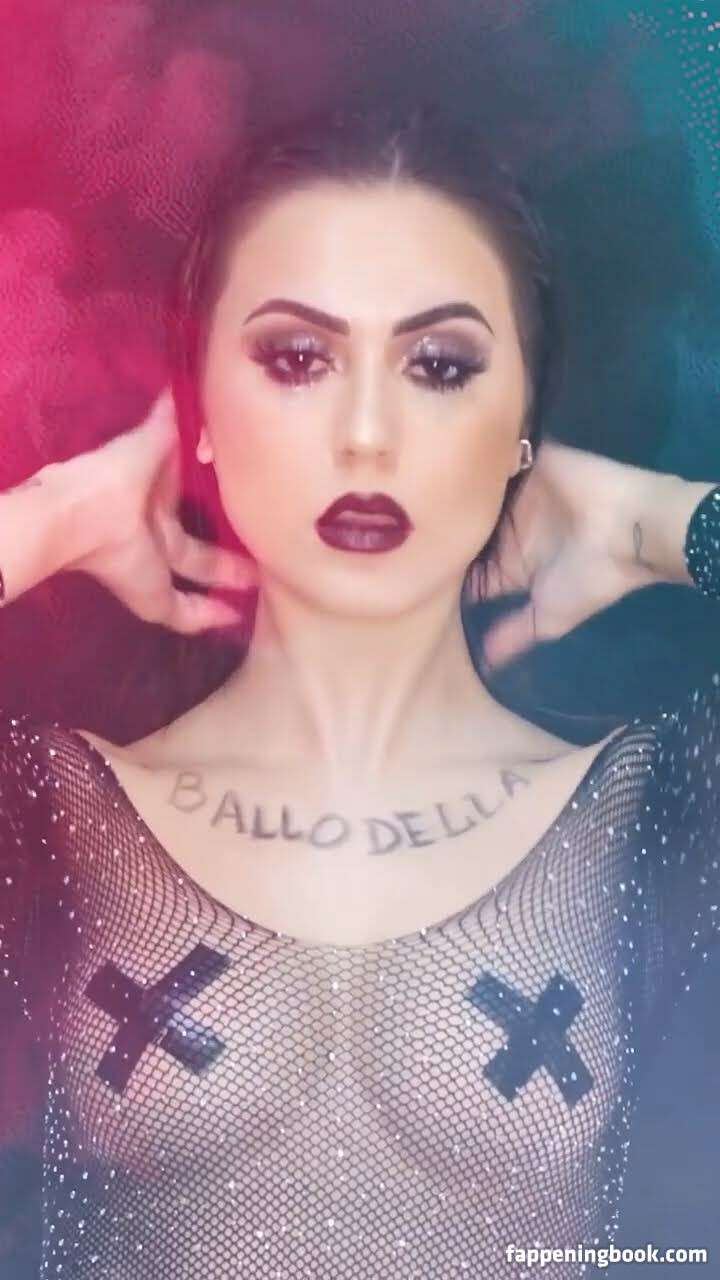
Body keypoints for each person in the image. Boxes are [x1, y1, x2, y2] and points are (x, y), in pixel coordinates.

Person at [1, 101, 718, 1279]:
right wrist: (50, 515)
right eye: (297, 358)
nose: (369, 433)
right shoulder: (55, 809)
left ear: (522, 428)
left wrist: (669, 522)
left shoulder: (651, 803)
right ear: (198, 413)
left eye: (440, 366)